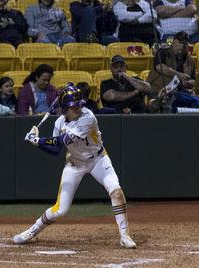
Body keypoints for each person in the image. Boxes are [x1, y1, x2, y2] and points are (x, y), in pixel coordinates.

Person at [16, 85, 137, 249]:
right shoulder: (59, 122)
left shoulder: (88, 117)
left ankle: (124, 235)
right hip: (74, 163)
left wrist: (37, 140)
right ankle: (32, 231)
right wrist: (37, 143)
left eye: (80, 104)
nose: (79, 108)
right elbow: (55, 150)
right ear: (65, 108)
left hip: (98, 160)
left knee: (116, 191)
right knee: (61, 210)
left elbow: (64, 140)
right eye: (74, 106)